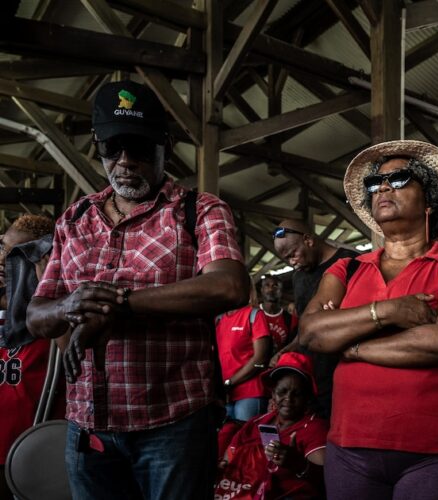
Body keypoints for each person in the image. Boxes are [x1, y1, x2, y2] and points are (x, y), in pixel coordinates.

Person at [26, 80, 250, 499]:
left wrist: (119, 304)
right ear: (98, 146)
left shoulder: (197, 210)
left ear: (164, 146)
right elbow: (37, 316)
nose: (125, 162)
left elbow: (229, 286)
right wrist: (72, 303)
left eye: (139, 148)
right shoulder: (74, 219)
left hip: (172, 424)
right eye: (113, 148)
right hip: (88, 426)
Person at [298, 140, 438, 500]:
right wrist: (388, 311)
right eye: (376, 183)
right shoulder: (347, 268)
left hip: (436, 452)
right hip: (350, 447)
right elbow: (310, 332)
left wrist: (350, 344)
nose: (383, 187)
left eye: (400, 179)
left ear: (429, 199)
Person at [272, 219, 358, 418]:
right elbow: (305, 325)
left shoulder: (351, 262)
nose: (292, 263)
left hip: (343, 369)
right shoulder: (299, 277)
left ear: (308, 240)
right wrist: (290, 348)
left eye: (293, 254)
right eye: (286, 260)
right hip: (311, 375)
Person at [215, 352, 327, 499]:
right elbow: (229, 458)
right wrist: (222, 467)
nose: (288, 399)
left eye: (297, 393)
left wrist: (298, 463)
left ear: (307, 397)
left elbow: (325, 478)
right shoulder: (256, 423)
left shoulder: (314, 428)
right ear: (273, 394)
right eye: (282, 392)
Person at [0, 215, 55, 500]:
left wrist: (48, 290)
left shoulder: (48, 318)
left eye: (16, 256)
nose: (3, 262)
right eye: (2, 249)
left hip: (32, 449)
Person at [216, 299, 272, 421]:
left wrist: (230, 382)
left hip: (251, 392)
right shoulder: (219, 319)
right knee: (226, 437)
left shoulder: (253, 314)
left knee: (246, 437)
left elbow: (260, 360)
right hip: (227, 395)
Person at [259, 275, 297, 356]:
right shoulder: (251, 315)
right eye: (267, 285)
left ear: (281, 291)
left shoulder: (290, 319)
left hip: (276, 366)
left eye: (275, 286)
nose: (271, 289)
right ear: (262, 290)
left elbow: (291, 347)